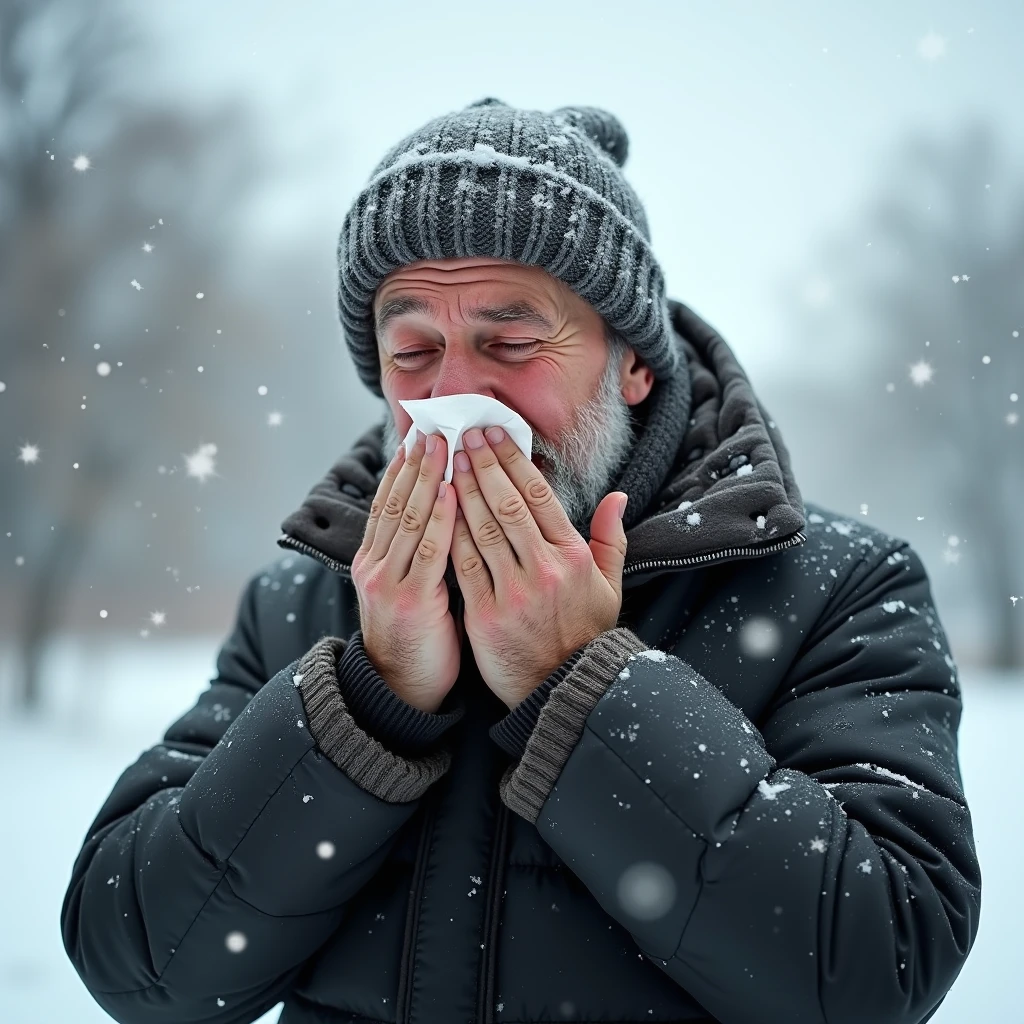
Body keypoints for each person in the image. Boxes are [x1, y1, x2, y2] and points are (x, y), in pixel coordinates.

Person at [62, 98, 981, 1024]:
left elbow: (876, 971)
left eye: (511, 342)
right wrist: (367, 702)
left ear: (632, 362)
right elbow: (141, 970)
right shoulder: (308, 599)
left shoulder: (832, 586)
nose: (457, 396)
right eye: (414, 348)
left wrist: (583, 687)